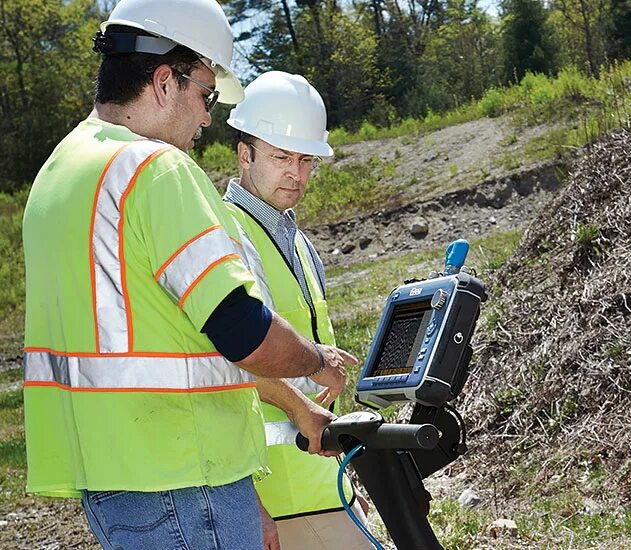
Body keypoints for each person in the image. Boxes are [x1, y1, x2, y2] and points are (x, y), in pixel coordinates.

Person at [21, 1, 355, 548]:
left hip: (108, 481)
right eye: (204, 94)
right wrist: (315, 361)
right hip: (184, 475)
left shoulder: (58, 175)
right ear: (162, 81)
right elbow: (241, 329)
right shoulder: (155, 167)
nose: (206, 118)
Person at [223, 71, 372, 550]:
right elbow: (223, 365)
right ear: (245, 154)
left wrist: (345, 487)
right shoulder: (225, 233)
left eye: (306, 159)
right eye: (281, 157)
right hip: (272, 494)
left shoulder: (298, 241)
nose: (297, 173)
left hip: (321, 484)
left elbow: (315, 370)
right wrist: (250, 506)